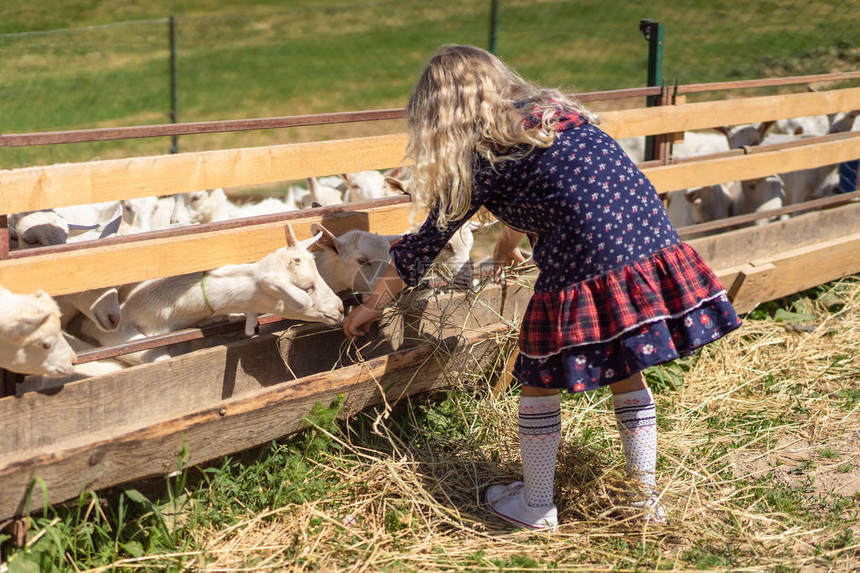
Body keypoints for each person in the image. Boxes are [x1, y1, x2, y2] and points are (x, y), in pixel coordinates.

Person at [343, 45, 741, 531]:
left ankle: (535, 505)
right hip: (648, 239)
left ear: (439, 112)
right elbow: (553, 186)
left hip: (587, 258)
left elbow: (423, 246)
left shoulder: (478, 158)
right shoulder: (555, 116)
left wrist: (370, 305)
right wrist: (507, 245)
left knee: (536, 378)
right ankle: (642, 501)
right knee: (627, 364)